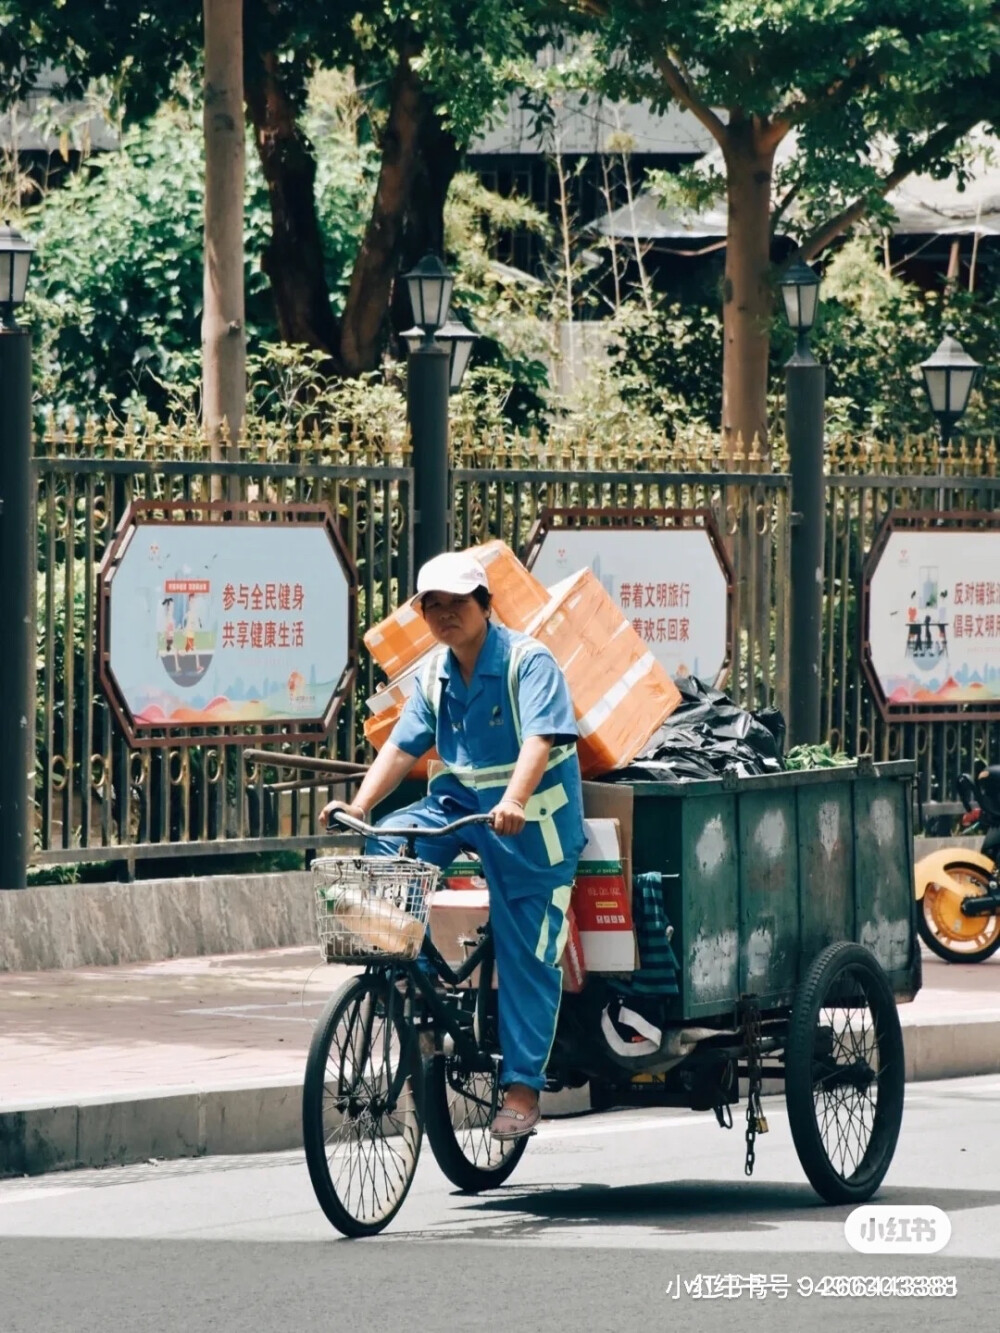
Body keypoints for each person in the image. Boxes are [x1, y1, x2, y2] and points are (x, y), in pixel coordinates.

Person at [322, 551, 586, 1140]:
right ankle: (418, 989)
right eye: (432, 606)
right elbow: (401, 746)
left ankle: (522, 1087)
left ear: (485, 606)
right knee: (387, 850)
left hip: (531, 824)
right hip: (459, 809)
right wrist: (361, 806)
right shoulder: (433, 674)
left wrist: (514, 801)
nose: (445, 615)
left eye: (456, 603)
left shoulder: (527, 662)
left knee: (524, 949)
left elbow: (541, 739)